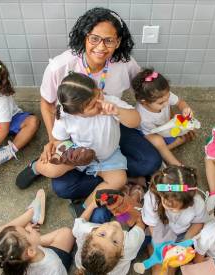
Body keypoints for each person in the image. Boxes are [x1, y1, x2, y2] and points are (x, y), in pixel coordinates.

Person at [37, 7, 162, 221]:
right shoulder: (60, 68)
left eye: (109, 41)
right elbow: (47, 104)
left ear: (118, 41)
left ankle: (107, 182)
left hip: (111, 127)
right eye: (94, 38)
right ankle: (115, 182)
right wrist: (53, 141)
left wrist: (166, 101)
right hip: (77, 141)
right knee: (61, 185)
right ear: (84, 36)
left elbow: (143, 91)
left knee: (150, 163)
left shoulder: (120, 73)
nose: (101, 47)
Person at [17, 72, 140, 216]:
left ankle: (84, 206)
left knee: (119, 180)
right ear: (76, 113)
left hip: (108, 156)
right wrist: (71, 152)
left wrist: (117, 111)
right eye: (93, 105)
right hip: (78, 154)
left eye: (98, 95)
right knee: (52, 169)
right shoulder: (65, 116)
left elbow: (136, 120)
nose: (100, 102)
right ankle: (36, 167)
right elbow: (59, 140)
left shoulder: (111, 102)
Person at [0, 189, 74, 275]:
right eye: (27, 232)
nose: (30, 229)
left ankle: (32, 214)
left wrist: (28, 236)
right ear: (31, 251)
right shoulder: (54, 264)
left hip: (32, 253)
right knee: (67, 233)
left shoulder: (14, 264)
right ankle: (32, 213)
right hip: (48, 262)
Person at [141, 165, 208, 275]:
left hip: (182, 236)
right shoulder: (151, 198)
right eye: (171, 207)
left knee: (170, 268)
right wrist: (161, 245)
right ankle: (153, 249)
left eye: (182, 208)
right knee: (160, 269)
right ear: (161, 194)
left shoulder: (197, 202)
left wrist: (184, 243)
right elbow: (152, 225)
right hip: (159, 234)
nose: (176, 211)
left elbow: (199, 223)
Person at [132, 68, 195, 166]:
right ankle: (175, 162)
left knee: (189, 131)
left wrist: (185, 109)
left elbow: (180, 102)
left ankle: (165, 149)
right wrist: (177, 133)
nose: (166, 103)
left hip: (165, 124)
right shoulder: (143, 117)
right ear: (144, 101)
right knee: (159, 142)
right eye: (161, 103)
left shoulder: (163, 96)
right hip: (150, 132)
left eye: (168, 98)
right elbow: (155, 134)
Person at [73, 198, 145, 275]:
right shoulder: (131, 244)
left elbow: (78, 224)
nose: (112, 230)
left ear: (91, 233)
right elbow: (140, 223)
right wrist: (125, 213)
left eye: (102, 235)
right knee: (146, 235)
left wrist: (94, 204)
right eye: (115, 242)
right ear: (122, 251)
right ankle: (136, 194)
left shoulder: (84, 231)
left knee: (101, 211)